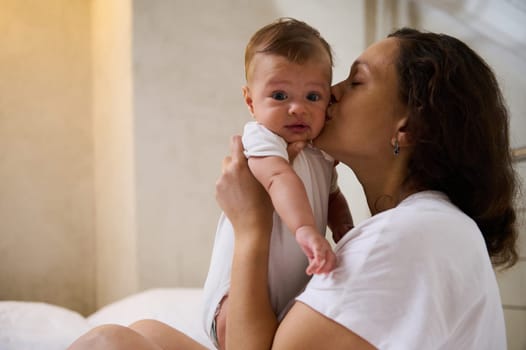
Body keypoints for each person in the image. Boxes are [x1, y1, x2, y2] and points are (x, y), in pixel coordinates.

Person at [68, 27, 519, 350]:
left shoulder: (412, 235)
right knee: (145, 329)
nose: (331, 92)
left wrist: (251, 227)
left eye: (356, 81)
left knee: (109, 343)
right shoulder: (422, 225)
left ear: (408, 127)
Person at [202, 17, 353, 349]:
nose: (298, 108)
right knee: (233, 326)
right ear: (251, 102)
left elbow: (333, 196)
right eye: (280, 95)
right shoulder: (262, 139)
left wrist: (346, 233)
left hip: (287, 292)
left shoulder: (322, 151)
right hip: (235, 290)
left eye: (313, 96)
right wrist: (306, 231)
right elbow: (279, 178)